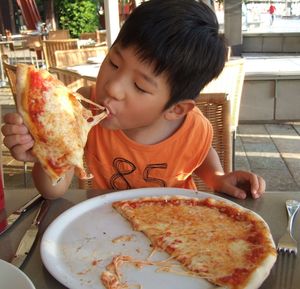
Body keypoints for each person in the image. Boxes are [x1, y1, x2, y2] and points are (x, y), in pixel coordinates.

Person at [2, 0, 265, 200]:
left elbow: (199, 150)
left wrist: (217, 178)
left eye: (139, 85)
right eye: (114, 63)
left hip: (177, 226)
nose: (113, 87)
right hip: (108, 227)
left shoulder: (194, 127)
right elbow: (54, 192)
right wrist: (44, 152)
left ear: (175, 109)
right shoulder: (81, 113)